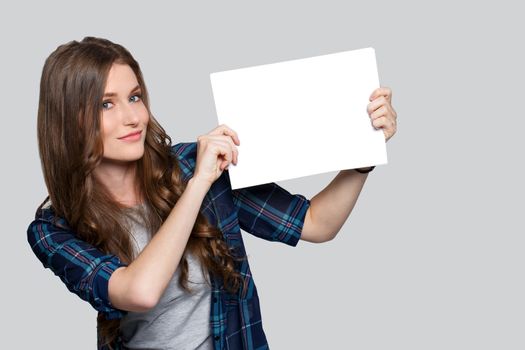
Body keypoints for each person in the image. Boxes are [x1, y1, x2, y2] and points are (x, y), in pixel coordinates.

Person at [27, 36, 397, 350]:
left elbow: (316, 224)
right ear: (67, 118)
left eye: (135, 97)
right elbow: (138, 292)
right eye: (106, 104)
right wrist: (198, 185)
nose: (133, 117)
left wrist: (362, 154)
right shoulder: (52, 228)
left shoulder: (194, 163)